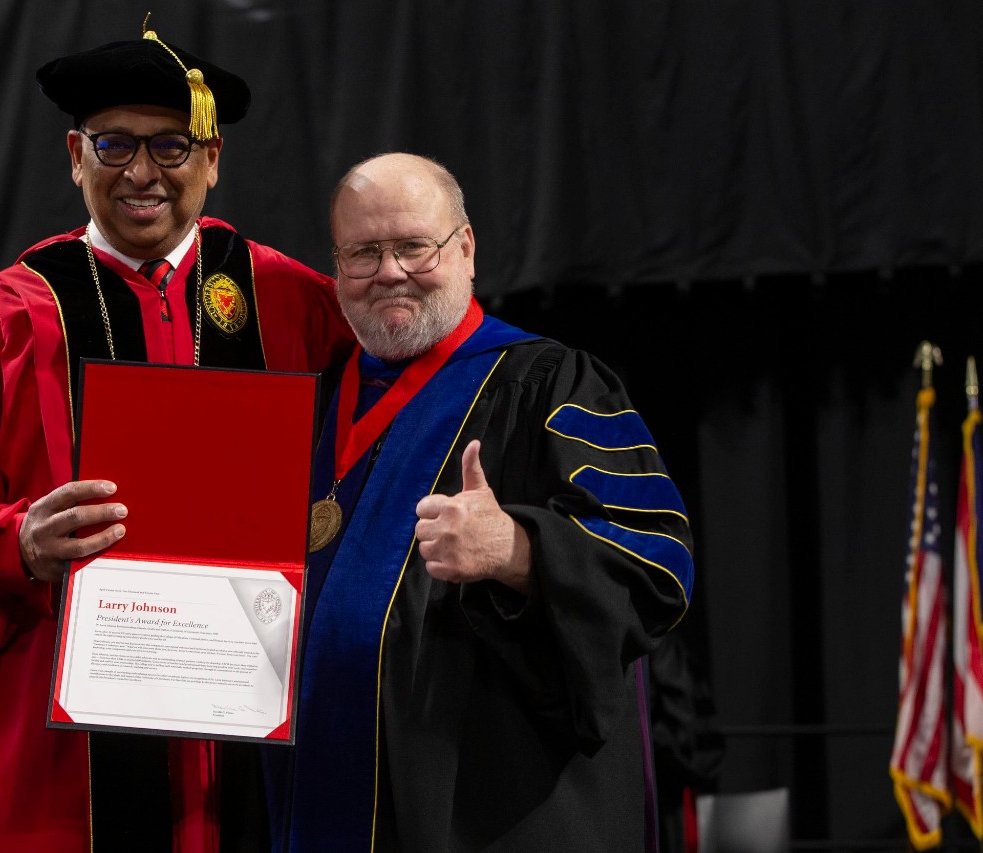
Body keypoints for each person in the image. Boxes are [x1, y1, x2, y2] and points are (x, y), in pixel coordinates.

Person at [0, 18, 354, 853]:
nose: (143, 173)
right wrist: (15, 544)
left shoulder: (296, 305)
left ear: (214, 158)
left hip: (255, 738)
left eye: (172, 147)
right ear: (75, 155)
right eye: (115, 146)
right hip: (54, 760)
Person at [260, 153, 696, 851]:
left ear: (465, 247)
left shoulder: (551, 383)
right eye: (364, 252)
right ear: (336, 266)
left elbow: (658, 561)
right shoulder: (309, 407)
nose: (390, 271)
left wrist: (520, 549)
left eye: (413, 246)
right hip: (313, 797)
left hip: (488, 812)